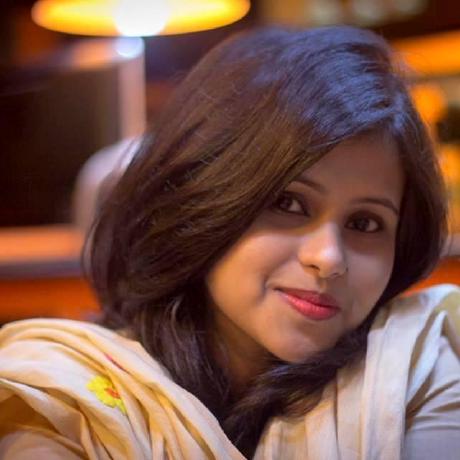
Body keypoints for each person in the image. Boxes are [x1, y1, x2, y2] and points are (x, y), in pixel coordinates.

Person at [0, 25, 459, 460]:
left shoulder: (410, 370)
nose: (328, 258)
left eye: (365, 223)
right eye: (288, 203)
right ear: (200, 198)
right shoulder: (65, 396)